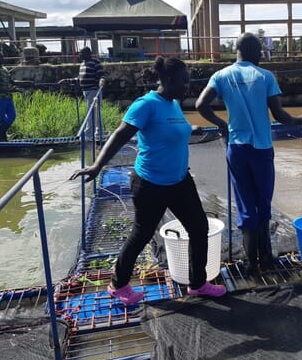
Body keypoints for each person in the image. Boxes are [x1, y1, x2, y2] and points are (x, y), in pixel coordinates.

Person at [70, 56, 226, 304]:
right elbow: (120, 135)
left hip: (180, 181)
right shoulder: (146, 105)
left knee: (199, 228)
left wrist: (196, 130)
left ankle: (197, 284)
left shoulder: (173, 104)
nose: (188, 86)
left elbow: (177, 129)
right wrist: (98, 166)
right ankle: (118, 285)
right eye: (184, 82)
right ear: (169, 79)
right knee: (141, 235)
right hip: (150, 184)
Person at [195, 32, 302, 274]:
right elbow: (281, 116)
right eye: (260, 51)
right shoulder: (265, 76)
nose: (261, 55)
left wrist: (222, 124)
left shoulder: (221, 75)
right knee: (263, 204)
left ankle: (251, 263)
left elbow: (200, 105)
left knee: (245, 205)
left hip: (237, 149)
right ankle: (267, 259)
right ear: (252, 52)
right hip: (261, 149)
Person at [59, 47, 106, 140]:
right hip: (86, 91)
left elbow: (102, 75)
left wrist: (102, 81)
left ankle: (88, 135)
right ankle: (99, 133)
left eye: (81, 53)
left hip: (94, 91)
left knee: (92, 112)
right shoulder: (82, 64)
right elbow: (79, 79)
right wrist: (67, 81)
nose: (79, 55)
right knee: (94, 113)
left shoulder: (95, 63)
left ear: (88, 53)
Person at [0, 51, 31, 141]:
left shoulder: (4, 69)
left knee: (12, 116)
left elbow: (12, 81)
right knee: (1, 119)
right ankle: (1, 137)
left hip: (7, 97)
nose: (2, 59)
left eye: (2, 57)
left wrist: (26, 83)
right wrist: (14, 90)